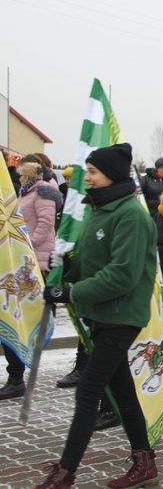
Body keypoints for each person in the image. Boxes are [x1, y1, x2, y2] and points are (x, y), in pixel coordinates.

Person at [37, 143, 159, 489]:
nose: (85, 178)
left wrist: (72, 293)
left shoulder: (131, 215)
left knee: (89, 388)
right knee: (121, 388)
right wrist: (67, 268)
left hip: (122, 314)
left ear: (112, 175)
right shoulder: (99, 210)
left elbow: (122, 274)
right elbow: (95, 262)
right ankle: (144, 462)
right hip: (101, 314)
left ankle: (66, 473)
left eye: (92, 171)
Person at [0, 160, 62, 401]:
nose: (20, 178)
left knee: (23, 310)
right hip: (19, 258)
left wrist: (25, 245)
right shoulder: (23, 193)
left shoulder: (43, 193)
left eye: (22, 175)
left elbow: (45, 225)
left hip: (34, 258)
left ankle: (17, 376)